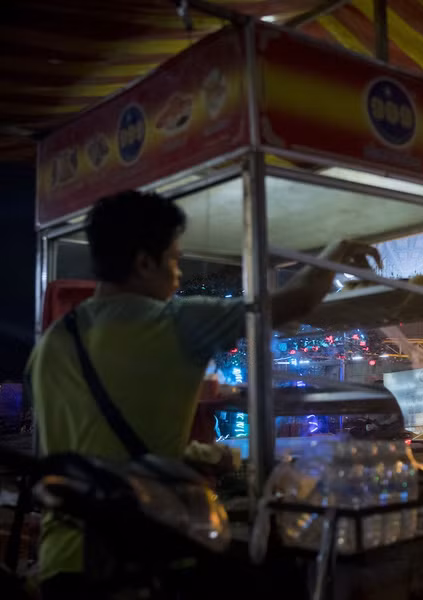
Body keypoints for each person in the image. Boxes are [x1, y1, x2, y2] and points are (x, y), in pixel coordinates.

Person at [26, 190, 380, 599]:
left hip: (60, 565)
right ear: (144, 263)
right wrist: (336, 251)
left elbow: (87, 442)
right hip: (136, 564)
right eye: (174, 261)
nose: (178, 276)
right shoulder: (175, 321)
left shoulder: (51, 342)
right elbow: (295, 300)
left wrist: (201, 455)